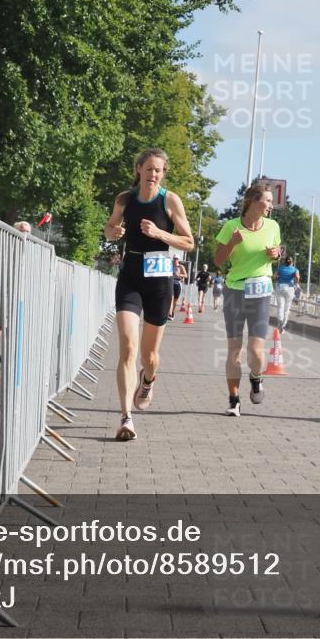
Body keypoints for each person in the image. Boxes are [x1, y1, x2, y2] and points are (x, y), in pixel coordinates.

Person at [104, 148, 194, 441]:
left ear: (163, 174)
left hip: (158, 280)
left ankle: (149, 379)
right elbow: (110, 227)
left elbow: (189, 241)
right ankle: (126, 418)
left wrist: (160, 234)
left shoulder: (170, 200)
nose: (154, 175)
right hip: (130, 275)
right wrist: (113, 232)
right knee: (128, 347)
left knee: (150, 356)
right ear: (139, 169)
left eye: (159, 171)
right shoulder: (125, 199)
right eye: (150, 169)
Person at [214, 184, 281, 417]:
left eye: (272, 201)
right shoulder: (231, 226)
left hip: (261, 291)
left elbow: (276, 250)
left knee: (256, 351)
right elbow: (219, 260)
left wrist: (277, 254)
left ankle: (256, 377)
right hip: (234, 290)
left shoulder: (273, 226)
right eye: (268, 200)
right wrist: (232, 242)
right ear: (253, 201)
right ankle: (234, 400)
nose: (271, 205)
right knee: (234, 350)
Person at [273, 255, 300, 332]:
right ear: (292, 262)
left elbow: (274, 276)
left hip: (280, 287)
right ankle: (283, 325)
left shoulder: (280, 268)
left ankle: (279, 323)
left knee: (280, 307)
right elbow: (297, 277)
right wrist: (296, 283)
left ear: (284, 262)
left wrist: (278, 278)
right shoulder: (295, 269)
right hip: (290, 288)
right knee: (287, 308)